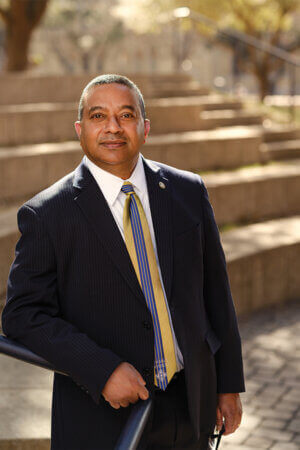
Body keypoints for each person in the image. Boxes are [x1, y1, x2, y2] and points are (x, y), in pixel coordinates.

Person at [2, 74, 244, 450]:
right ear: (79, 130)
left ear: (144, 128)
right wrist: (101, 370)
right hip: (103, 417)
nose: (113, 127)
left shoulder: (188, 192)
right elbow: (22, 314)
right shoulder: (47, 214)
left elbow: (217, 295)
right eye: (99, 116)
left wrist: (227, 384)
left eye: (126, 115)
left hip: (191, 404)